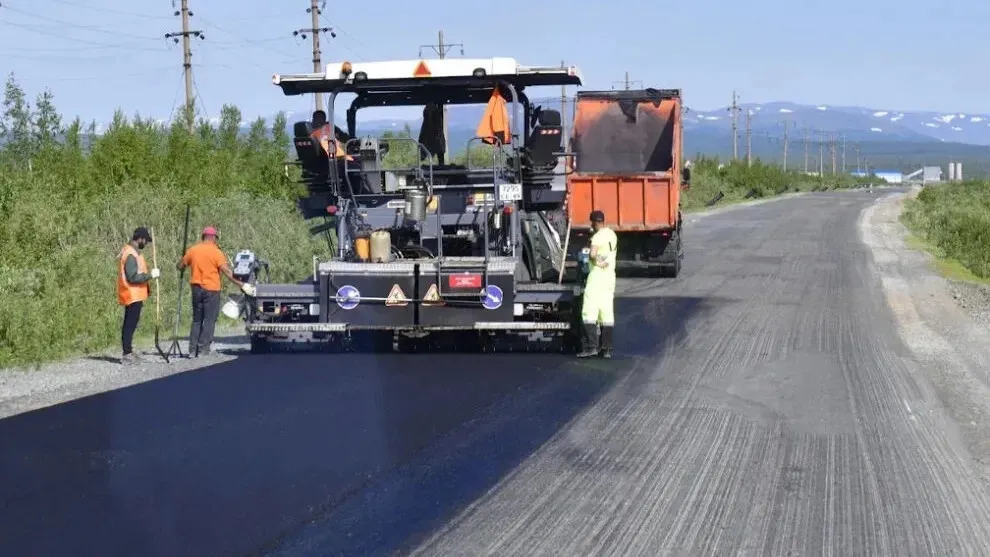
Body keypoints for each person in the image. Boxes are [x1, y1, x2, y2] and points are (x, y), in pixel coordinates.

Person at [176, 226, 245, 357]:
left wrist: (183, 260)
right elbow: (227, 272)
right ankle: (203, 349)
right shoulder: (216, 252)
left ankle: (192, 350)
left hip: (196, 289)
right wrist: (241, 284)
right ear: (213, 238)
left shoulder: (193, 250)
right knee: (209, 319)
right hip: (211, 290)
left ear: (203, 237)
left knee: (197, 319)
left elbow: (180, 266)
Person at [577, 210, 618, 359]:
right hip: (609, 278)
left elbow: (592, 254)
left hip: (596, 278)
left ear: (594, 222)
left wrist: (596, 262)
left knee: (589, 312)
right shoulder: (612, 235)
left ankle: (591, 347)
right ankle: (606, 349)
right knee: (606, 312)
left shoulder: (597, 237)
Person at [118, 227, 160, 365]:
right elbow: (132, 277)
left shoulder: (133, 253)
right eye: (145, 240)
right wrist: (150, 275)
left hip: (136, 294)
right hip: (132, 294)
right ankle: (127, 355)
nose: (146, 243)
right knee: (129, 325)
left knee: (131, 324)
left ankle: (129, 352)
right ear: (140, 239)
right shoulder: (130, 254)